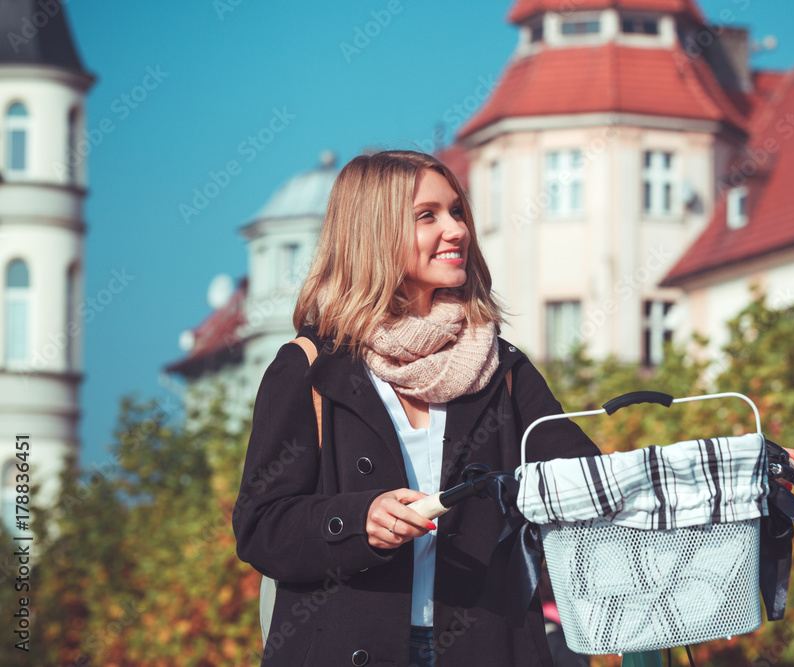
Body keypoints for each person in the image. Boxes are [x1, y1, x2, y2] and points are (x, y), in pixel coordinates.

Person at [232, 150, 601, 667]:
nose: (456, 230)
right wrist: (358, 519)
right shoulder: (310, 367)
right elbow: (260, 527)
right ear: (374, 233)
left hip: (488, 646)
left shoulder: (503, 368)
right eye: (427, 216)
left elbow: (584, 483)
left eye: (456, 211)